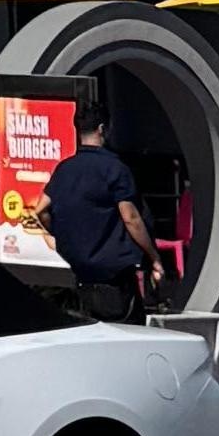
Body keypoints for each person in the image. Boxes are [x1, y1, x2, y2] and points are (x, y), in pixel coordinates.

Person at [40, 97, 157, 325]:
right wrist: (154, 257)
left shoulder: (64, 169)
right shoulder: (115, 168)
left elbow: (41, 208)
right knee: (128, 331)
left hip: (81, 272)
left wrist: (59, 235)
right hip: (115, 273)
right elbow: (131, 218)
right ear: (103, 129)